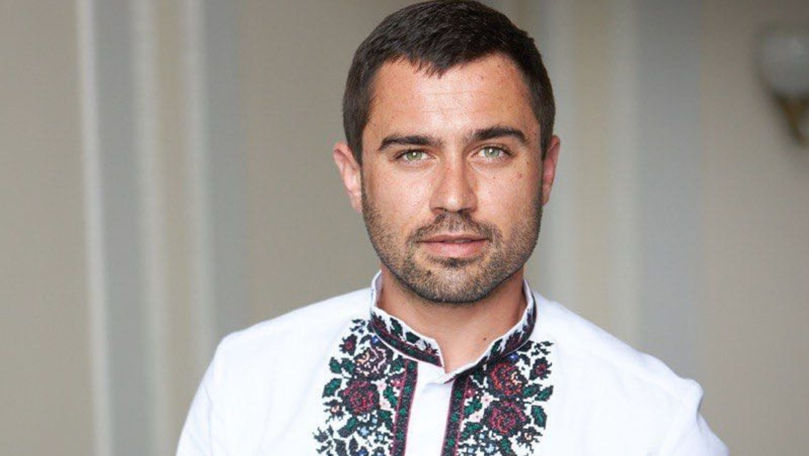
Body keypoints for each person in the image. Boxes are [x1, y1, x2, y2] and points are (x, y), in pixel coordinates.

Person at [177, 1, 728, 455]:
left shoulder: (655, 425)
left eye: (492, 151)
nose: (454, 198)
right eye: (413, 154)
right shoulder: (246, 384)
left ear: (546, 170)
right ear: (354, 177)